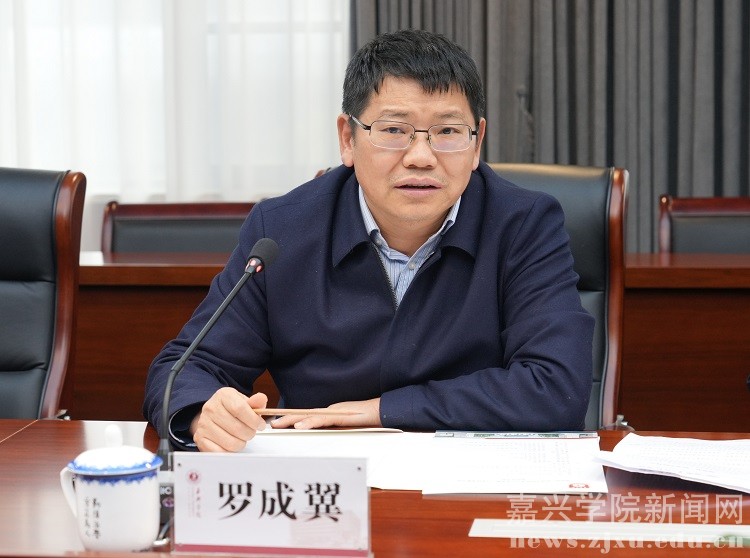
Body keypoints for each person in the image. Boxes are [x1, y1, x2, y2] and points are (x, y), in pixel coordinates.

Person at [144, 28, 594, 453]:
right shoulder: (281, 230)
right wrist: (202, 413)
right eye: (394, 130)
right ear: (348, 138)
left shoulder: (524, 225)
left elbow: (557, 388)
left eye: (448, 132)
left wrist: (383, 412)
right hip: (324, 480)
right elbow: (182, 369)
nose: (421, 157)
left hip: (465, 482)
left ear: (476, 144)